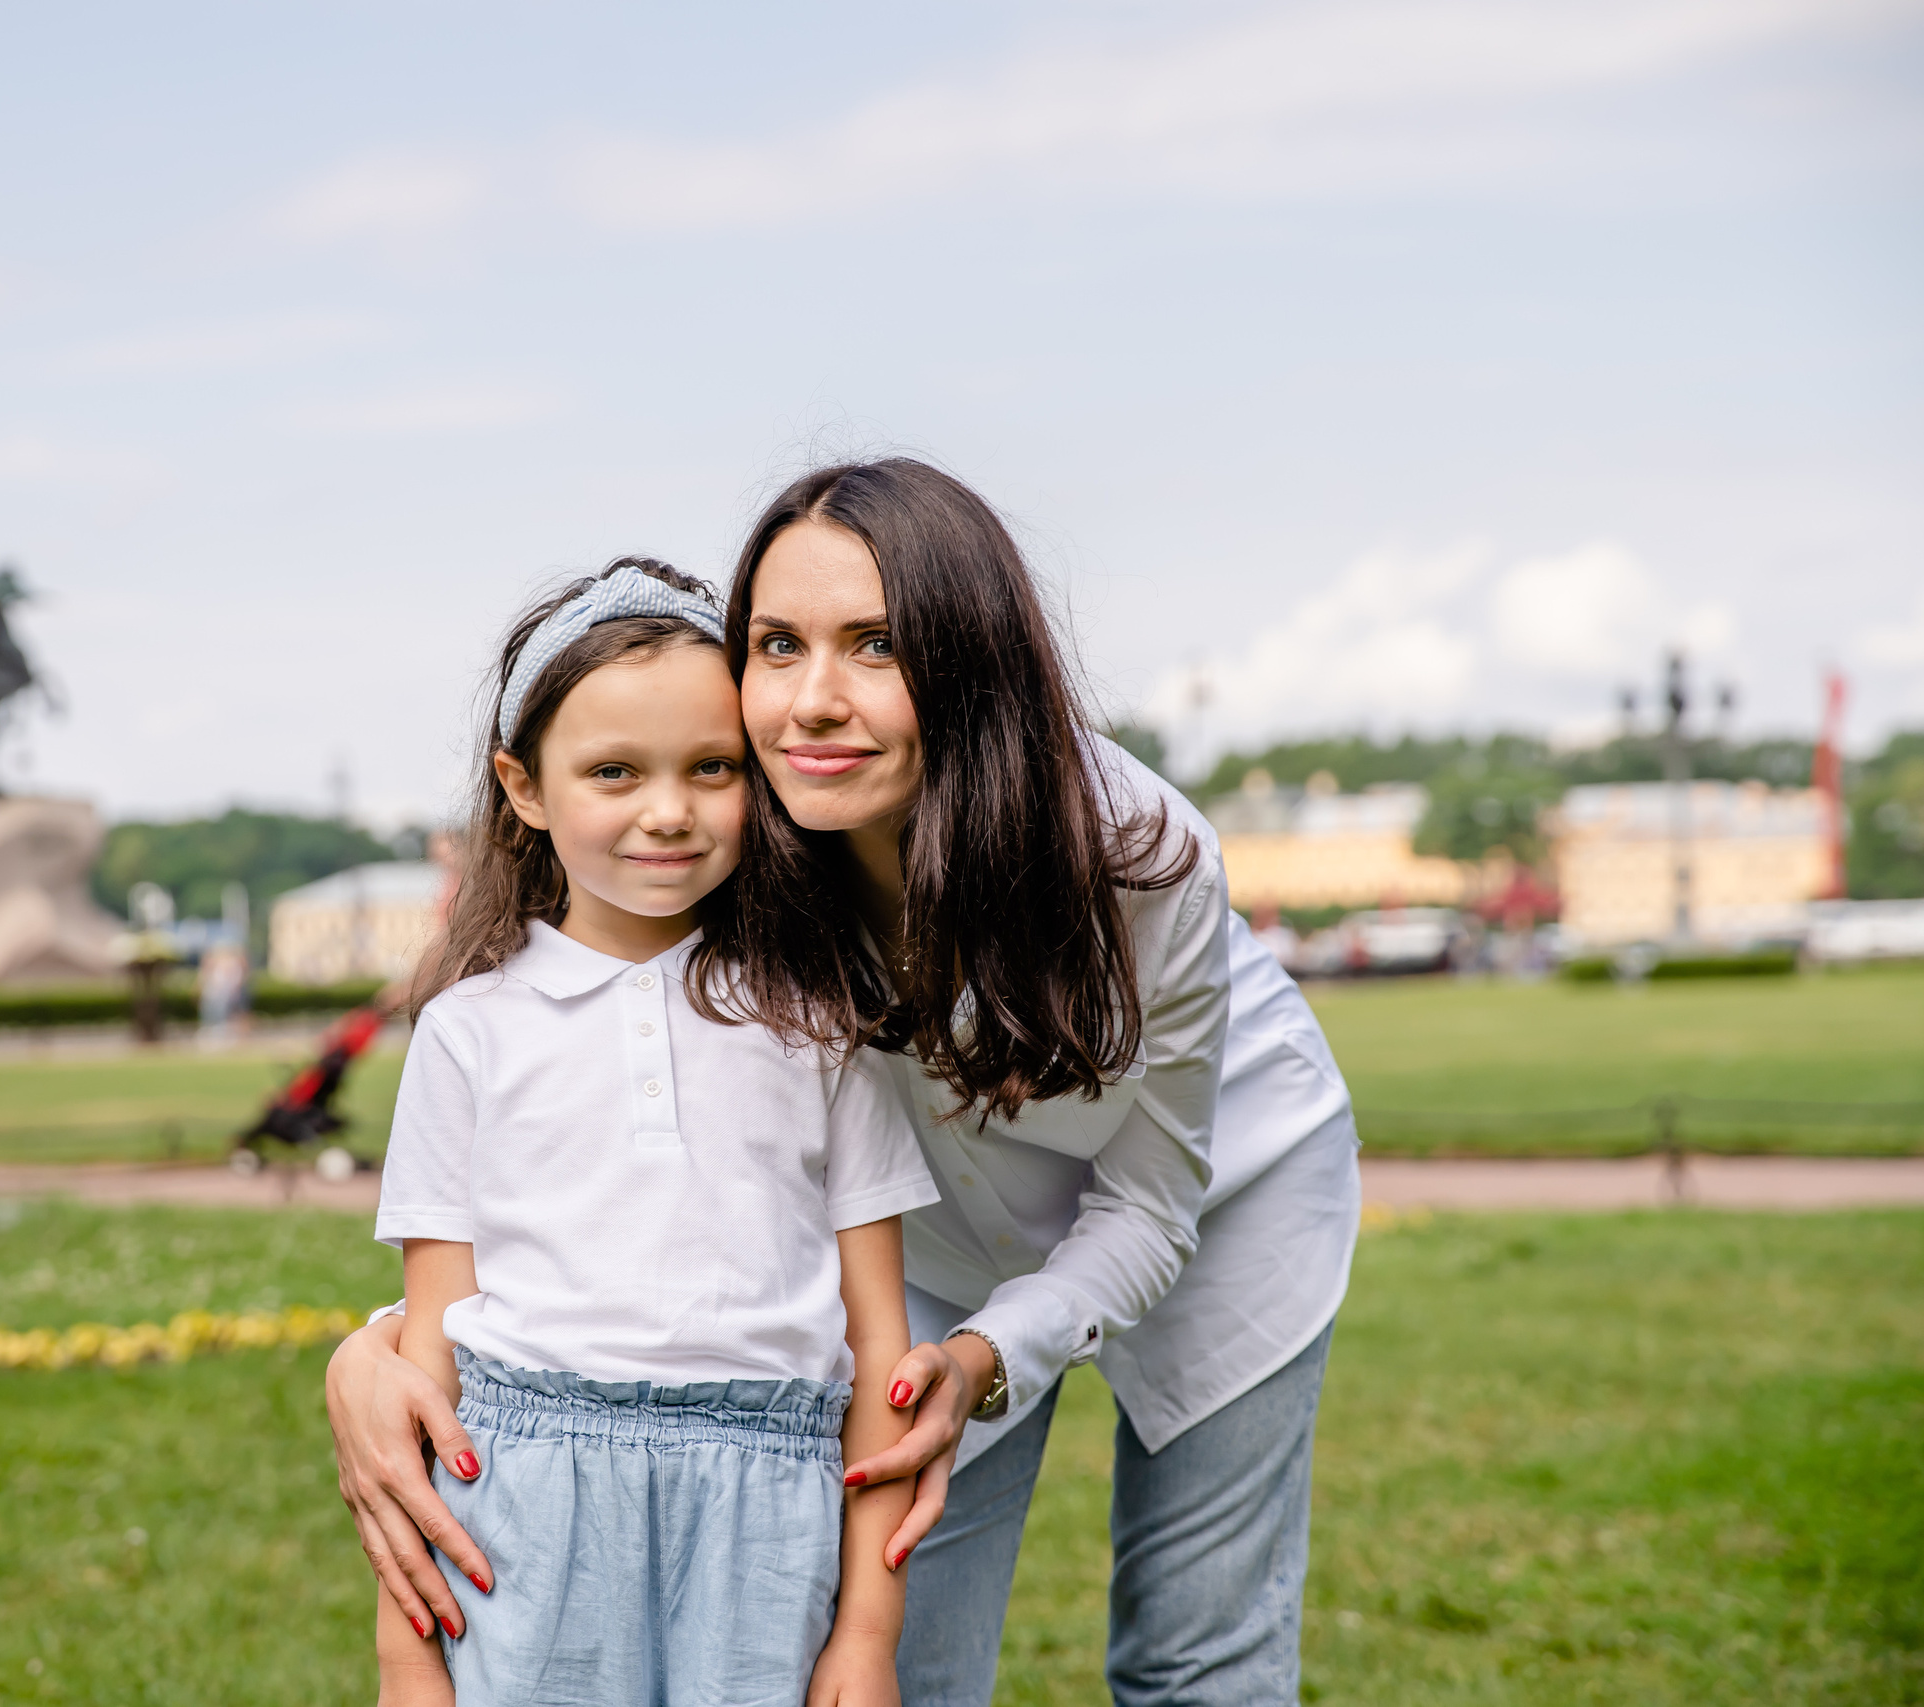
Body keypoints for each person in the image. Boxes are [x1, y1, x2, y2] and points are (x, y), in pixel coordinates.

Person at [331, 466, 1362, 1706]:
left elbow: (1147, 1206)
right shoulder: (731, 820)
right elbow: (597, 1152)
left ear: (972, 661)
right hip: (914, 1255)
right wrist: (372, 1349)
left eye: (877, 645)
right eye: (777, 646)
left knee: (1196, 1666)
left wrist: (995, 1353)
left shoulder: (1138, 860)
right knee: (895, 1665)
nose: (816, 702)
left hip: (1216, 1203)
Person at [369, 558, 945, 1707]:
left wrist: (868, 1635)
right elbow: (425, 1369)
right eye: (614, 771)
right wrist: (407, 1654)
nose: (668, 810)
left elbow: (881, 1348)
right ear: (523, 788)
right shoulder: (467, 1034)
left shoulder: (820, 1024)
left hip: (768, 1512)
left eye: (712, 769)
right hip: (525, 1515)